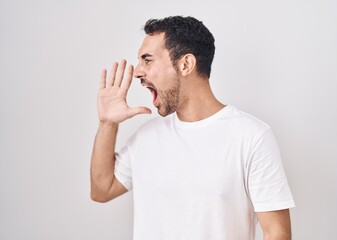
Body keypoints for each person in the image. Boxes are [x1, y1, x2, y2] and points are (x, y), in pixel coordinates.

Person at [90, 16, 295, 240]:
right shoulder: (146, 138)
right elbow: (102, 190)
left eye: (147, 60)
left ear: (185, 64)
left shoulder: (251, 136)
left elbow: (277, 232)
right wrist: (107, 123)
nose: (138, 72)